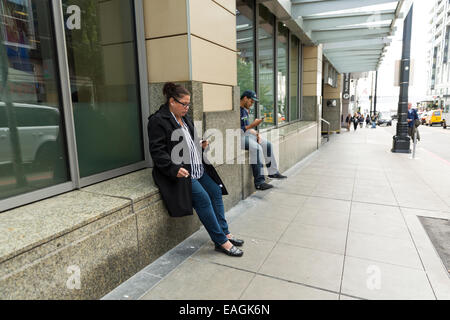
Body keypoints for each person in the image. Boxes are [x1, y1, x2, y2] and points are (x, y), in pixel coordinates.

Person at [148, 82, 244, 257]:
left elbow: (188, 143)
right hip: (180, 173)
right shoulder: (158, 121)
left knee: (215, 191)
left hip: (197, 168)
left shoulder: (185, 119)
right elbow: (157, 151)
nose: (187, 107)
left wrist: (200, 145)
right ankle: (221, 242)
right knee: (203, 199)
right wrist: (172, 168)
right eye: (184, 104)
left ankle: (225, 232)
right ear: (172, 101)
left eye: (188, 104)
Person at [240, 90, 287, 190]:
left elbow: (246, 128)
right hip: (237, 137)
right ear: (245, 98)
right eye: (251, 101)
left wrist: (256, 133)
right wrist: (253, 125)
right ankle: (259, 182)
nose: (252, 104)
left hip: (247, 135)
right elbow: (238, 130)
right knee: (257, 148)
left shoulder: (244, 110)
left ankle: (273, 172)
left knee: (267, 144)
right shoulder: (238, 110)